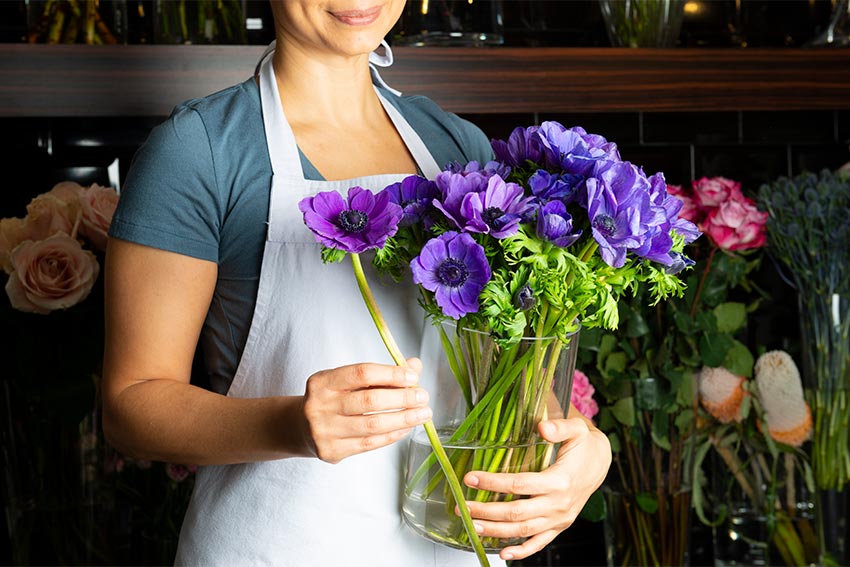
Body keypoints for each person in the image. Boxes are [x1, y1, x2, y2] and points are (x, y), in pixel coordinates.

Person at [102, 2, 612, 565]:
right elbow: (130, 405)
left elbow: (502, 372)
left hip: (449, 548)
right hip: (272, 547)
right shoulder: (199, 150)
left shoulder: (456, 146)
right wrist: (289, 425)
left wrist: (586, 448)